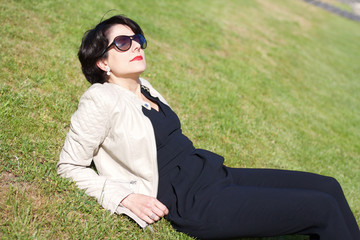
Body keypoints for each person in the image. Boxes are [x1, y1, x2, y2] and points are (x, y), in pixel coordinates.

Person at [57, 15, 360, 240]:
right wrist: (124, 197)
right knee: (321, 209)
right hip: (194, 202)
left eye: (138, 39)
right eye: (123, 43)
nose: (136, 45)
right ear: (102, 62)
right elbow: (70, 166)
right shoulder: (101, 98)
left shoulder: (144, 88)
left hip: (214, 176)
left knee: (328, 186)